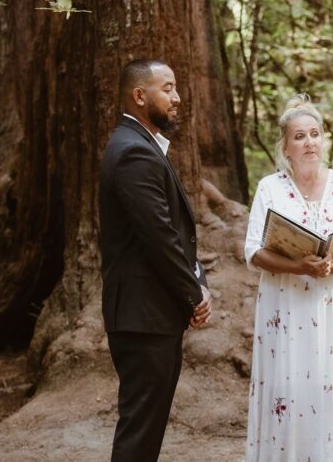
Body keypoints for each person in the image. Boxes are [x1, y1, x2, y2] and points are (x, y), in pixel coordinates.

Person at [243, 95, 333, 461]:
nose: (309, 143)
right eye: (299, 137)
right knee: (291, 387)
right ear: (285, 148)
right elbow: (253, 250)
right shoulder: (270, 188)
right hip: (287, 305)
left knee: (332, 386)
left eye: (315, 134)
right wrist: (299, 266)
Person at [98, 58, 212, 462]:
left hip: (148, 315)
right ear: (140, 95)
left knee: (145, 430)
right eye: (168, 88)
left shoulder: (142, 146)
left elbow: (172, 233)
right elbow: (158, 236)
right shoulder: (132, 153)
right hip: (142, 317)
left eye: (176, 87)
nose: (177, 97)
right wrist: (193, 294)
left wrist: (198, 279)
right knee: (139, 433)